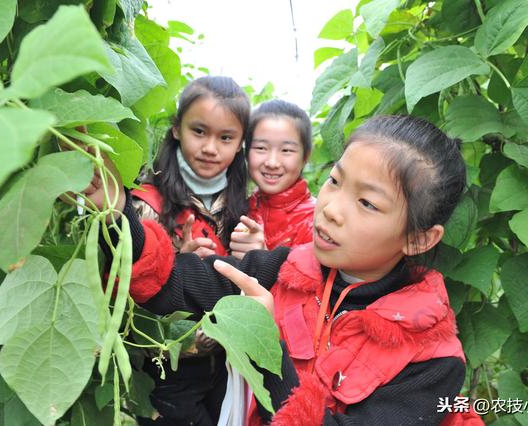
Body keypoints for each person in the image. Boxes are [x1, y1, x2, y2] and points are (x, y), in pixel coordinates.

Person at [87, 115, 482, 425]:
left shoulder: (432, 361)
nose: (331, 207)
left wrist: (265, 347)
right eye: (335, 181)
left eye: (367, 203)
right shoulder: (285, 269)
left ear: (419, 239)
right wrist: (115, 212)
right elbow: (175, 282)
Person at [112, 75, 254, 425]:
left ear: (240, 144)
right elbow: (124, 296)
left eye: (226, 137)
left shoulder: (241, 205)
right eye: (199, 131)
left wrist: (254, 254)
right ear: (176, 129)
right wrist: (175, 266)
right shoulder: (148, 203)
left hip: (225, 362)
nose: (210, 148)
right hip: (165, 367)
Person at [230, 100, 315, 258]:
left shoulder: (315, 221)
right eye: (261, 148)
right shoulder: (238, 207)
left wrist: (263, 260)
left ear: (306, 157)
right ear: (246, 152)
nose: (272, 162)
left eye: (286, 150)